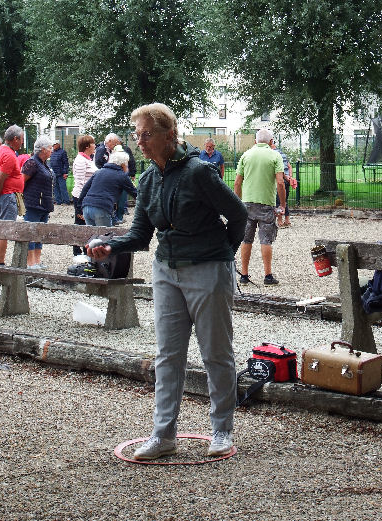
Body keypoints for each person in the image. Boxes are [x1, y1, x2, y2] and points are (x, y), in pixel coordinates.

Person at [87, 103, 247, 460]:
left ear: (169, 135)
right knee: (168, 355)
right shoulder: (148, 179)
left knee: (216, 353)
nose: (139, 142)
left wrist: (223, 254)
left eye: (146, 135)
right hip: (166, 272)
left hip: (208, 270)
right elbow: (141, 234)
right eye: (137, 135)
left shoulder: (199, 172)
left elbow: (238, 215)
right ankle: (163, 436)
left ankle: (221, 430)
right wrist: (111, 246)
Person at [234, 128, 286, 286]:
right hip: (266, 203)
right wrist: (282, 204)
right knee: (265, 240)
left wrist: (237, 203)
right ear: (271, 142)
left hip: (247, 203)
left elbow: (237, 183)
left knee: (246, 239)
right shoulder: (275, 155)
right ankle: (268, 276)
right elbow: (280, 182)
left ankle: (244, 275)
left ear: (255, 141)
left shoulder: (246, 155)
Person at [0, 125, 24, 265]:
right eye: (21, 139)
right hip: (7, 196)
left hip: (2, 196)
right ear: (15, 139)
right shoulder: (8, 155)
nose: (22, 143)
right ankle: (0, 264)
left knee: (0, 230)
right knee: (4, 231)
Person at [79, 146, 137, 227]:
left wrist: (79, 207)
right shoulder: (122, 176)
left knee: (92, 234)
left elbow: (85, 189)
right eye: (127, 164)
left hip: (87, 207)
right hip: (101, 208)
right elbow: (135, 193)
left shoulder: (98, 172)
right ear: (123, 164)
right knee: (105, 234)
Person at [21, 136, 54, 269]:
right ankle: (30, 262)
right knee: (31, 232)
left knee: (40, 234)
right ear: (43, 149)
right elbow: (21, 181)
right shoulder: (32, 163)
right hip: (33, 204)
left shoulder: (44, 164)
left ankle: (37, 261)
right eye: (50, 148)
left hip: (44, 205)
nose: (52, 150)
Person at [72, 135, 97, 256]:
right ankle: (77, 252)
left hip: (88, 196)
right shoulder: (80, 161)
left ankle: (85, 250)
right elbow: (80, 182)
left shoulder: (88, 159)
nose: (95, 145)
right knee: (80, 224)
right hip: (81, 197)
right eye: (93, 143)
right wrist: (80, 204)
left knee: (86, 224)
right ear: (87, 146)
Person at [272, 141, 292, 228]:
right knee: (284, 200)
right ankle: (287, 220)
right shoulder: (282, 153)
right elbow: (289, 166)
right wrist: (290, 177)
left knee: (278, 201)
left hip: (280, 179)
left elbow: (279, 170)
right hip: (287, 180)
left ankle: (279, 220)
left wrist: (284, 176)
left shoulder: (273, 154)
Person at [50, 140, 70, 205]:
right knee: (55, 188)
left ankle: (66, 201)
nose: (53, 146)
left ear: (58, 144)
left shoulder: (63, 152)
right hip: (54, 173)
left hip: (61, 173)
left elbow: (66, 163)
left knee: (63, 188)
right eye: (53, 145)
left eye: (54, 145)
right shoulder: (52, 152)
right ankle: (58, 201)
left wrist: (65, 172)